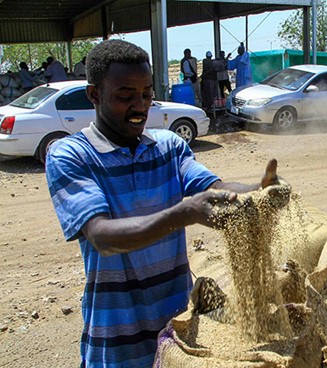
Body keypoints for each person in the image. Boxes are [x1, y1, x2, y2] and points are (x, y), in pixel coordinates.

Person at [45, 39, 284, 368]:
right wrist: (184, 213)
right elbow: (102, 236)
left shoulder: (169, 146)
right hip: (117, 342)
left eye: (146, 94)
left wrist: (259, 191)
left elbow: (214, 187)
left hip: (178, 333)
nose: (140, 106)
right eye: (126, 96)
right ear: (95, 95)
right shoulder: (71, 155)